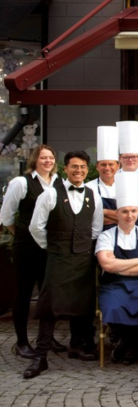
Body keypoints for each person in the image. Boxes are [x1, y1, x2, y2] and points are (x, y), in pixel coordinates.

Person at [25, 150, 104, 379]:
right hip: (58, 258)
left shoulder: (93, 195)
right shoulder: (50, 194)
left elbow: (96, 228)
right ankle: (40, 356)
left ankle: (79, 345)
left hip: (83, 259)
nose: (78, 171)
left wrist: (83, 247)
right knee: (49, 307)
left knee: (83, 304)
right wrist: (52, 247)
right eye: (74, 167)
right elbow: (35, 227)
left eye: (82, 167)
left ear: (87, 169)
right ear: (65, 168)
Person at [0, 144, 63, 360]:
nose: (47, 161)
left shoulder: (59, 183)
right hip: (26, 248)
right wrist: (23, 234)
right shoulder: (21, 183)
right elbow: (6, 217)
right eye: (43, 158)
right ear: (34, 160)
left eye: (51, 157)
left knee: (48, 295)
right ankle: (21, 341)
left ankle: (46, 337)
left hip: (51, 248)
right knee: (24, 295)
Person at [94, 172, 138, 365]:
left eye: (133, 211)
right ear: (117, 213)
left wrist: (119, 266)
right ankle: (130, 344)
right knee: (114, 306)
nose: (129, 215)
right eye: (125, 211)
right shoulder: (106, 236)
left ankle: (125, 343)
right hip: (113, 285)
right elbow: (106, 265)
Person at [87, 126, 119, 232]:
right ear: (97, 166)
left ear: (118, 166)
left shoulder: (125, 186)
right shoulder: (88, 187)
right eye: (103, 164)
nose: (107, 168)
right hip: (97, 234)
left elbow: (129, 218)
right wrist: (117, 216)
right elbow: (87, 218)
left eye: (111, 164)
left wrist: (101, 212)